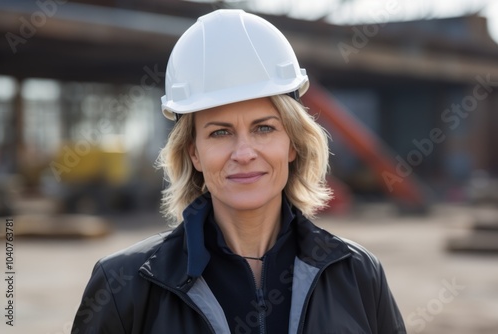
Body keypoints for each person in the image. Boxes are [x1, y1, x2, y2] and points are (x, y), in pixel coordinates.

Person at [71, 9, 406, 334]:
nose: (244, 154)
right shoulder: (123, 286)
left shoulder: (359, 275)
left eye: (264, 128)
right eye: (220, 132)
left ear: (292, 144)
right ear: (194, 154)